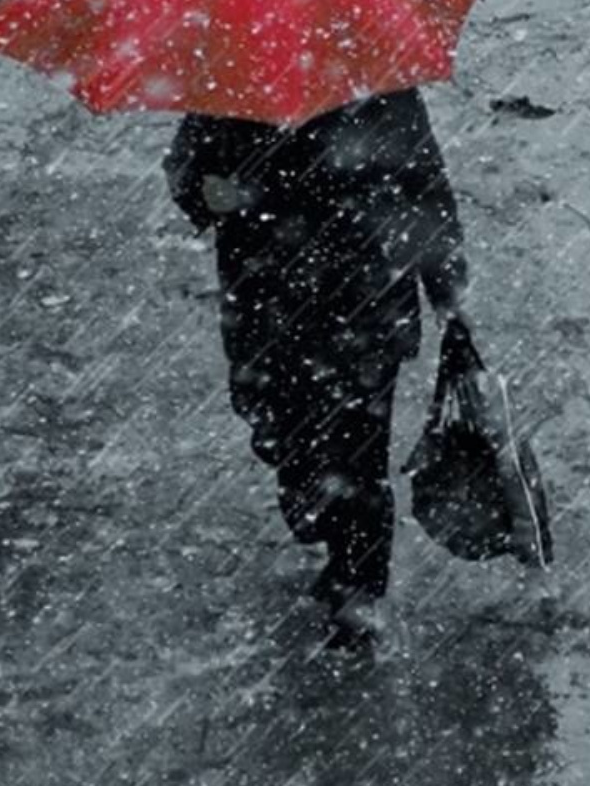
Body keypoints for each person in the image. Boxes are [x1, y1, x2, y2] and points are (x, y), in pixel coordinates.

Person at [165, 88, 468, 648]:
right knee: (294, 439)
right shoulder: (236, 94)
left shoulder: (373, 89)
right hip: (286, 306)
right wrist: (211, 194)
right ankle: (334, 535)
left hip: (350, 303)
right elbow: (187, 176)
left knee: (355, 453)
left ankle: (358, 586)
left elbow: (423, 185)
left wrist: (447, 287)